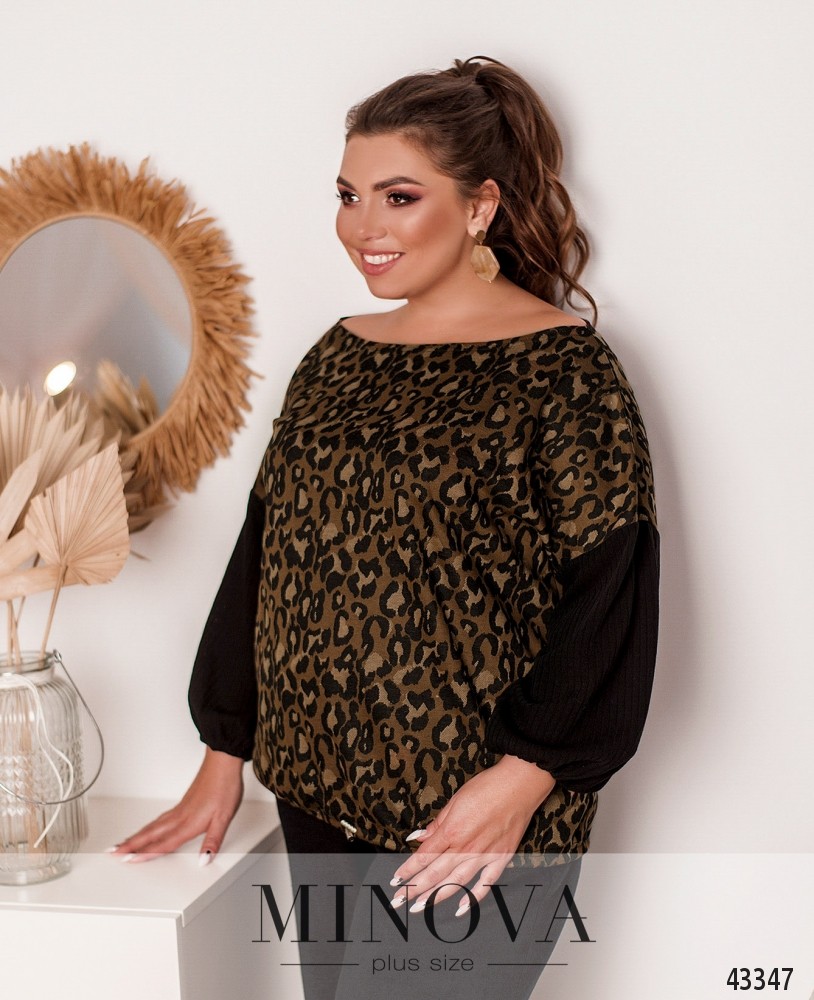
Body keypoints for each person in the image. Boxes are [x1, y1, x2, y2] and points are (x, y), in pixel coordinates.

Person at [110, 56, 660, 999]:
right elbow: (269, 557)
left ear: (480, 206)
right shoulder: (335, 358)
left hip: (468, 813)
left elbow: (611, 597)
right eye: (348, 195)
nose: (362, 226)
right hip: (314, 787)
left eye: (399, 197)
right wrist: (223, 753)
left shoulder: (567, 373)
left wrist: (524, 778)